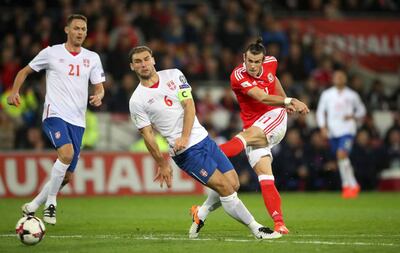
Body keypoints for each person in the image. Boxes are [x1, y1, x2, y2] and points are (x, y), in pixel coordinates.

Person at [128, 45, 281, 240]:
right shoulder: (137, 100)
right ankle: (256, 229)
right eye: (138, 61)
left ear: (153, 60)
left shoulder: (174, 75)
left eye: (146, 59)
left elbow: (189, 105)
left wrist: (185, 135)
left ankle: (200, 213)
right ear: (132, 67)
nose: (144, 64)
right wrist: (162, 163)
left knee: (233, 184)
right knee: (225, 189)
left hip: (203, 139)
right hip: (186, 153)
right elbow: (148, 135)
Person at [7, 14, 106, 224]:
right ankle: (51, 202)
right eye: (76, 28)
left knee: (67, 176)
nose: (80, 32)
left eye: (84, 29)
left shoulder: (92, 57)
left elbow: (99, 86)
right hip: (54, 114)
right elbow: (24, 72)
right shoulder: (51, 53)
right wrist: (15, 91)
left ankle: (33, 205)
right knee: (67, 153)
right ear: (67, 30)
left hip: (78, 121)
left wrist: (99, 95)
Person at [209, 38, 310, 235]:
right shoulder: (237, 76)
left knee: (243, 138)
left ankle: (205, 154)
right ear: (243, 58)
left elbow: (274, 80)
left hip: (273, 117)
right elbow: (261, 96)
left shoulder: (272, 62)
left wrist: (283, 102)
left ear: (263, 61)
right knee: (265, 177)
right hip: (255, 126)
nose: (253, 66)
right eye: (250, 61)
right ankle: (279, 222)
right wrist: (290, 100)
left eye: (257, 62)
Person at [316, 69, 366, 198]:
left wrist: (353, 116)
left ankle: (346, 185)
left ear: (345, 79)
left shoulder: (352, 95)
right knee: (342, 158)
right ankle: (353, 185)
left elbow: (362, 110)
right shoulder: (327, 94)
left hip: (348, 130)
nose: (339, 78)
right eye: (336, 76)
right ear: (333, 79)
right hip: (333, 131)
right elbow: (320, 111)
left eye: (341, 76)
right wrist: (322, 127)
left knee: (341, 154)